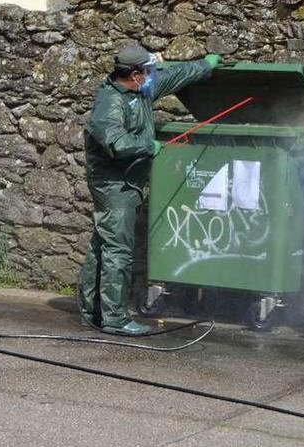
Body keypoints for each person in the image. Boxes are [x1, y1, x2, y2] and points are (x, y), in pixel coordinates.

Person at [79, 44, 220, 336]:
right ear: (134, 75)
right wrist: (148, 145)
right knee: (118, 250)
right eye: (146, 71)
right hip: (114, 184)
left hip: (127, 182)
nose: (151, 75)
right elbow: (115, 143)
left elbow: (173, 76)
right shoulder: (110, 104)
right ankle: (115, 320)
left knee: (103, 245)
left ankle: (92, 310)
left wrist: (204, 66)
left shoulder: (141, 91)